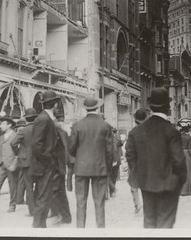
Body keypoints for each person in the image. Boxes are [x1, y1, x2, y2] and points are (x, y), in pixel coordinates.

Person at [126, 88, 187, 228]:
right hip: (169, 184)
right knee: (165, 223)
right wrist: (179, 181)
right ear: (168, 107)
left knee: (149, 220)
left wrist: (141, 174)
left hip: (146, 182)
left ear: (150, 106)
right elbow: (179, 161)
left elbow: (130, 156)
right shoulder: (172, 131)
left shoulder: (136, 131)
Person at [69, 96, 113, 228]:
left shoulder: (77, 125)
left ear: (85, 108)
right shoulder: (105, 125)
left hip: (81, 169)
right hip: (100, 168)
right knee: (99, 203)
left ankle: (81, 231)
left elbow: (71, 148)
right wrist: (107, 168)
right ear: (97, 107)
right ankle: (100, 231)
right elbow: (110, 152)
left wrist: (80, 156)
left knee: (80, 202)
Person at [31, 90, 62, 228]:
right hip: (44, 166)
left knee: (44, 198)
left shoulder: (46, 118)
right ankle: (38, 229)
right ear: (54, 104)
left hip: (45, 166)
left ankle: (40, 227)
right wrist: (48, 160)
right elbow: (36, 144)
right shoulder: (43, 119)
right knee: (43, 199)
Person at [0, 116, 19, 213]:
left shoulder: (16, 136)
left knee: (12, 186)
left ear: (9, 125)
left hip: (11, 166)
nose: (0, 126)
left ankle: (12, 205)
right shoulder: (0, 137)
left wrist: (14, 165)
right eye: (0, 124)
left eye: (2, 124)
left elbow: (19, 152)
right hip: (0, 166)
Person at [10, 108, 37, 217]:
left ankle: (32, 211)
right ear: (35, 117)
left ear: (25, 118)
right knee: (40, 185)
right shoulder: (39, 129)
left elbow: (13, 143)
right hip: (39, 161)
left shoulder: (23, 131)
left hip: (26, 162)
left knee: (29, 186)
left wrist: (19, 153)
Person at [126, 108, 149, 214]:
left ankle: (137, 205)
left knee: (134, 186)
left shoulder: (132, 132)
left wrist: (132, 165)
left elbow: (129, 151)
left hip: (136, 164)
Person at [178, 118, 191, 196]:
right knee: (189, 171)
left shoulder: (178, 135)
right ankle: (190, 190)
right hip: (188, 154)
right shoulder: (190, 136)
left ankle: (182, 190)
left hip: (180, 154)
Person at [108, 127, 123, 198]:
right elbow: (115, 149)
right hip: (115, 161)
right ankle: (112, 191)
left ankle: (110, 191)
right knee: (113, 177)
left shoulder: (107, 139)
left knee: (109, 176)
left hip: (111, 161)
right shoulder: (115, 140)